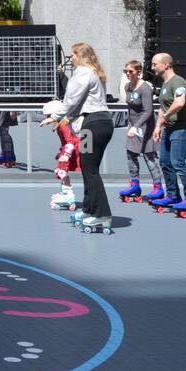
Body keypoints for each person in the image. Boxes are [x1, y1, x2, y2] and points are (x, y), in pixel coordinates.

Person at [62, 42, 113, 230]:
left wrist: (56, 115)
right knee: (86, 166)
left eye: (73, 55)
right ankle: (90, 208)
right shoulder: (94, 72)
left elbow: (71, 99)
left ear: (81, 55)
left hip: (92, 124)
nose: (71, 58)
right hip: (98, 123)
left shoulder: (83, 72)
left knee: (90, 169)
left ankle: (102, 213)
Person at [150, 52, 186, 214]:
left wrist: (165, 116)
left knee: (178, 162)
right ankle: (173, 196)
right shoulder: (165, 85)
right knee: (165, 162)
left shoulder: (178, 82)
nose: (152, 67)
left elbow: (180, 103)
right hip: (170, 128)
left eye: (154, 64)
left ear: (166, 65)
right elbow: (162, 108)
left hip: (183, 127)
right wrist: (158, 127)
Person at [119, 59, 161, 202]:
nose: (128, 74)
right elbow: (130, 107)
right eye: (126, 72)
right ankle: (134, 184)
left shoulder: (145, 88)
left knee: (149, 157)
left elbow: (148, 111)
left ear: (138, 72)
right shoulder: (127, 87)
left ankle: (158, 187)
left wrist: (137, 126)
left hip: (146, 126)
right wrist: (131, 126)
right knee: (130, 154)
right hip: (134, 126)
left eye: (130, 71)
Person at [39, 99, 81, 211]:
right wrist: (61, 152)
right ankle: (65, 192)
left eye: (48, 115)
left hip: (71, 149)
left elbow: (70, 141)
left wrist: (66, 154)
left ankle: (68, 194)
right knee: (63, 171)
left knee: (62, 171)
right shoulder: (60, 125)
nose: (47, 118)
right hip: (68, 149)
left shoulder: (63, 125)